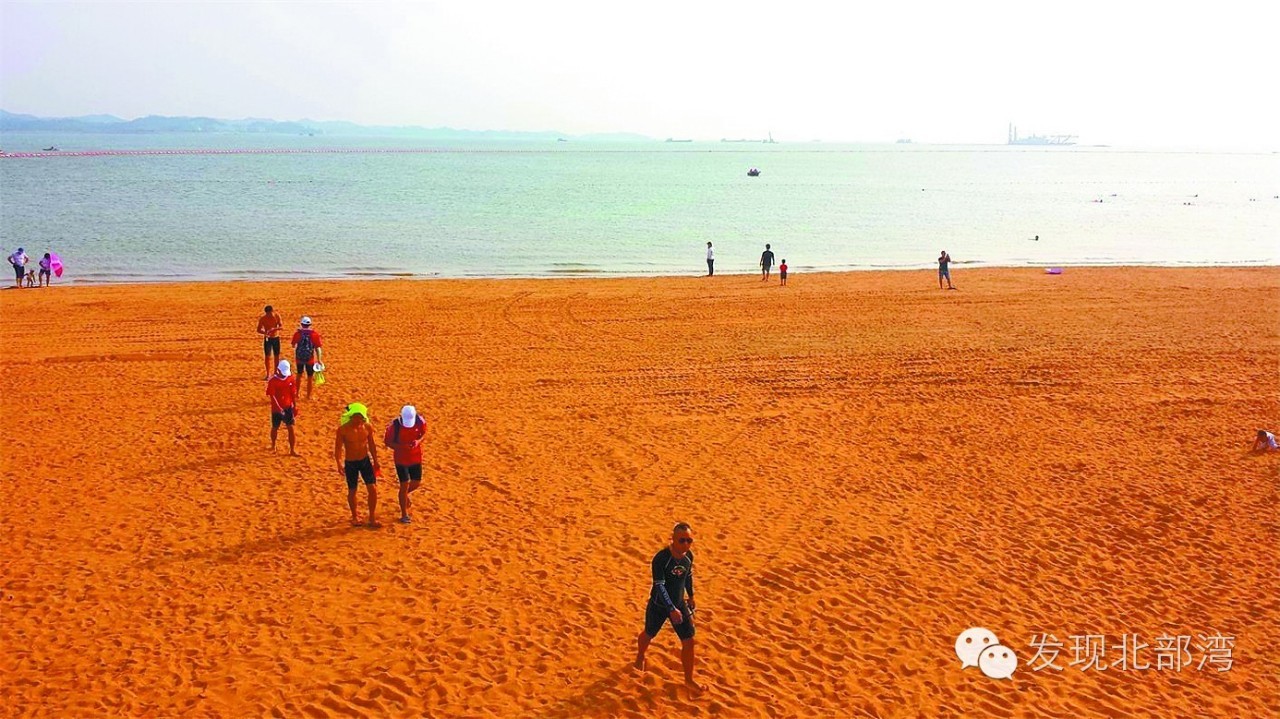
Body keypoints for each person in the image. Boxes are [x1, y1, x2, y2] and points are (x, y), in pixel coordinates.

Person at [635, 522, 702, 694]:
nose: (686, 544)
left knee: (689, 641)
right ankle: (641, 655)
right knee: (648, 634)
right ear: (673, 539)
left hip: (679, 603)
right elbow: (659, 585)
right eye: (682, 540)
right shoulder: (661, 559)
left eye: (689, 541)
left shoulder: (688, 557)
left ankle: (689, 679)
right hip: (659, 605)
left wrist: (691, 596)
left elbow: (687, 577)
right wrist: (671, 608)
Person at [335, 402, 381, 527]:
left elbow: (371, 445)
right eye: (356, 417)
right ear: (352, 417)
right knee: (352, 490)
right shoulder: (343, 430)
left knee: (372, 489)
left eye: (360, 417)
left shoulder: (367, 427)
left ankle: (372, 517)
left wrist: (375, 460)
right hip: (351, 463)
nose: (359, 420)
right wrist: (339, 464)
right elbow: (338, 448)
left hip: (365, 460)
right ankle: (354, 516)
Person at [384, 404, 427, 524]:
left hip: (415, 457)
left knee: (416, 482)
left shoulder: (420, 422)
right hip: (401, 459)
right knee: (404, 484)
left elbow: (423, 435)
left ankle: (404, 495)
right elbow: (388, 442)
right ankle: (404, 514)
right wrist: (402, 447)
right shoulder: (395, 426)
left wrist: (417, 442)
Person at [266, 359, 299, 455]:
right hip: (276, 409)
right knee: (275, 427)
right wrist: (279, 408)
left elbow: (293, 393)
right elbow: (272, 396)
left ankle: (292, 449)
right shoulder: (272, 381)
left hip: (288, 407)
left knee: (290, 427)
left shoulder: (291, 379)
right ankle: (273, 445)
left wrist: (294, 406)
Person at [290, 316, 324, 399]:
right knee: (309, 377)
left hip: (299, 359)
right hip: (310, 359)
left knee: (299, 375)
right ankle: (308, 396)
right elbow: (318, 348)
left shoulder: (297, 334)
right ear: (310, 324)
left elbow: (293, 345)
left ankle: (296, 394)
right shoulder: (314, 334)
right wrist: (319, 360)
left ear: (302, 324)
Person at [257, 305, 284, 380]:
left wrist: (274, 329)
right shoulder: (263, 319)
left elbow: (281, 326)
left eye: (270, 313)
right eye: (268, 314)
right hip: (268, 339)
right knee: (267, 356)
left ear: (272, 311)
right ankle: (268, 374)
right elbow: (258, 329)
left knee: (276, 356)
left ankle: (276, 372)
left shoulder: (276, 316)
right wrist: (265, 332)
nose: (269, 315)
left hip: (276, 338)